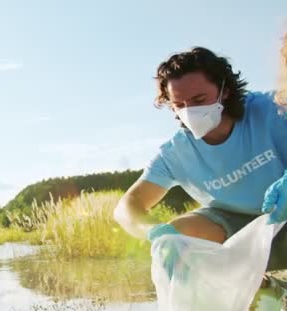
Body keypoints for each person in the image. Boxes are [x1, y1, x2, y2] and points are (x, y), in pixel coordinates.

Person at [113, 46, 287, 277]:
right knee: (176, 239)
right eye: (180, 104)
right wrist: (154, 231)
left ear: (224, 90)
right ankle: (260, 295)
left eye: (199, 99)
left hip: (281, 213)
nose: (190, 111)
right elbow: (127, 206)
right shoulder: (177, 153)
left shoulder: (273, 109)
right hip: (236, 232)